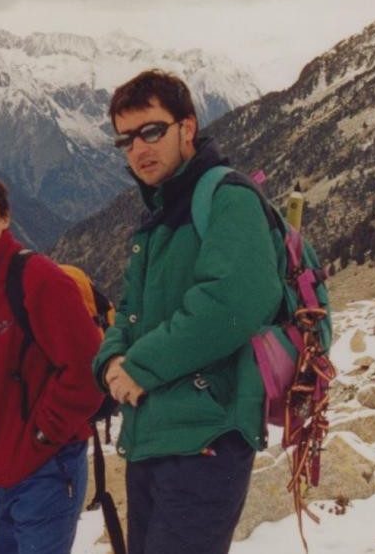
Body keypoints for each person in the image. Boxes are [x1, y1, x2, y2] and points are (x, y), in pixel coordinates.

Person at [93, 70, 283, 554]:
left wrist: (138, 366)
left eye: (152, 130)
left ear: (187, 128)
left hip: (207, 437)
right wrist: (111, 362)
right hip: (153, 435)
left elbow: (234, 302)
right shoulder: (158, 215)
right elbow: (129, 311)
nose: (139, 148)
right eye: (126, 139)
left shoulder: (227, 197)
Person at [0, 171, 104, 554]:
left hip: (45, 472)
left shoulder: (38, 279)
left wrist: (42, 436)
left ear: (4, 217)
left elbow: (87, 369)